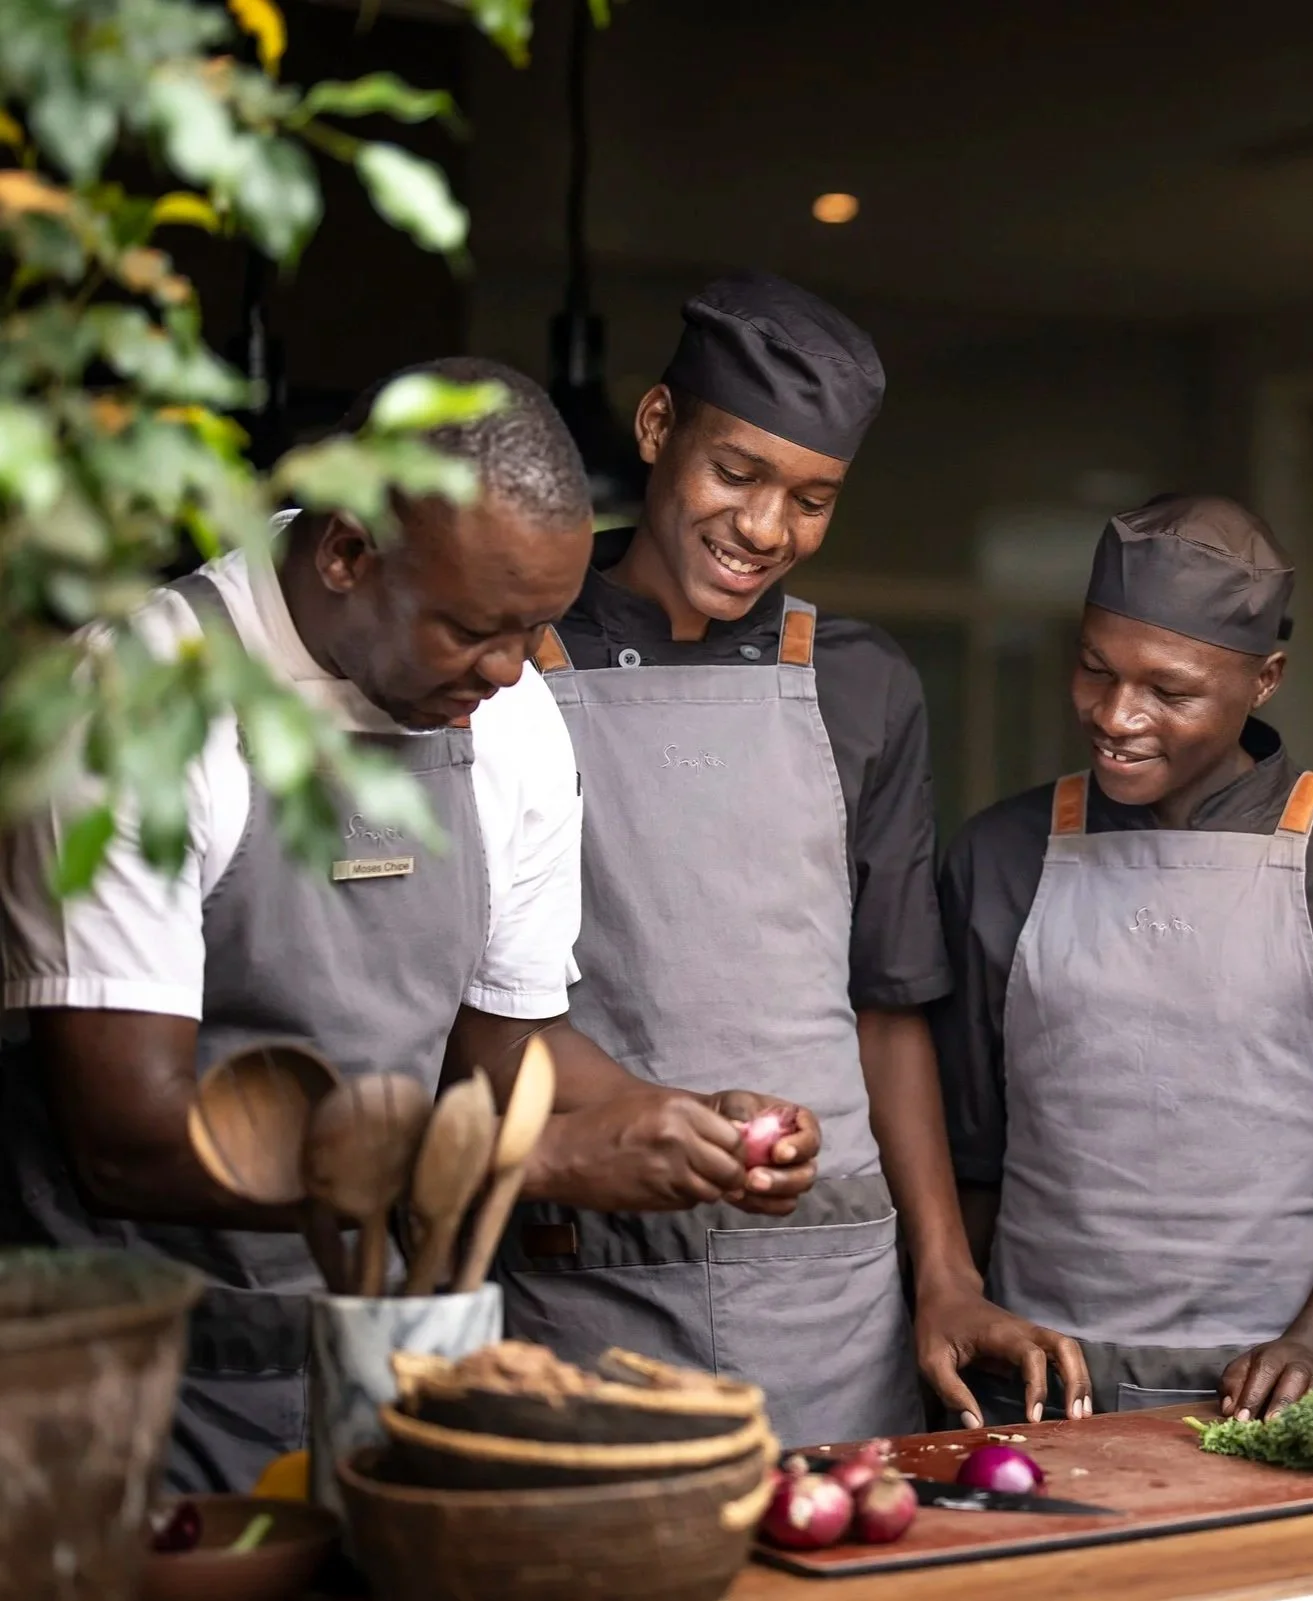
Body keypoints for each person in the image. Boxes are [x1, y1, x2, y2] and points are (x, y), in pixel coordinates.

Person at [0, 358, 817, 1494]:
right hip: (130, 1389)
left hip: (397, 1375)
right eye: (475, 629)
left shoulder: (510, 719)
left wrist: (661, 1116)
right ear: (346, 553)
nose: (514, 667)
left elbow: (501, 1056)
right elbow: (126, 1140)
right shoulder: (142, 706)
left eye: (536, 627)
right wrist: (543, 1162)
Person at [499, 274, 1087, 1446]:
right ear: (659, 429)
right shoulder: (506, 663)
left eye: (813, 498)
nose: (767, 528)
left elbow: (890, 1007)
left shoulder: (863, 682)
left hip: (832, 1306)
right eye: (738, 473)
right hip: (580, 1289)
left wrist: (947, 1277)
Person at [933, 494, 1313, 1421]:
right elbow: (969, 1152)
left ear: (1265, 678)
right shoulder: (1001, 853)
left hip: (1261, 1387)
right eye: (1095, 669)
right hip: (1023, 1379)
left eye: (1170, 691)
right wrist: (952, 1309)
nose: (1116, 714)